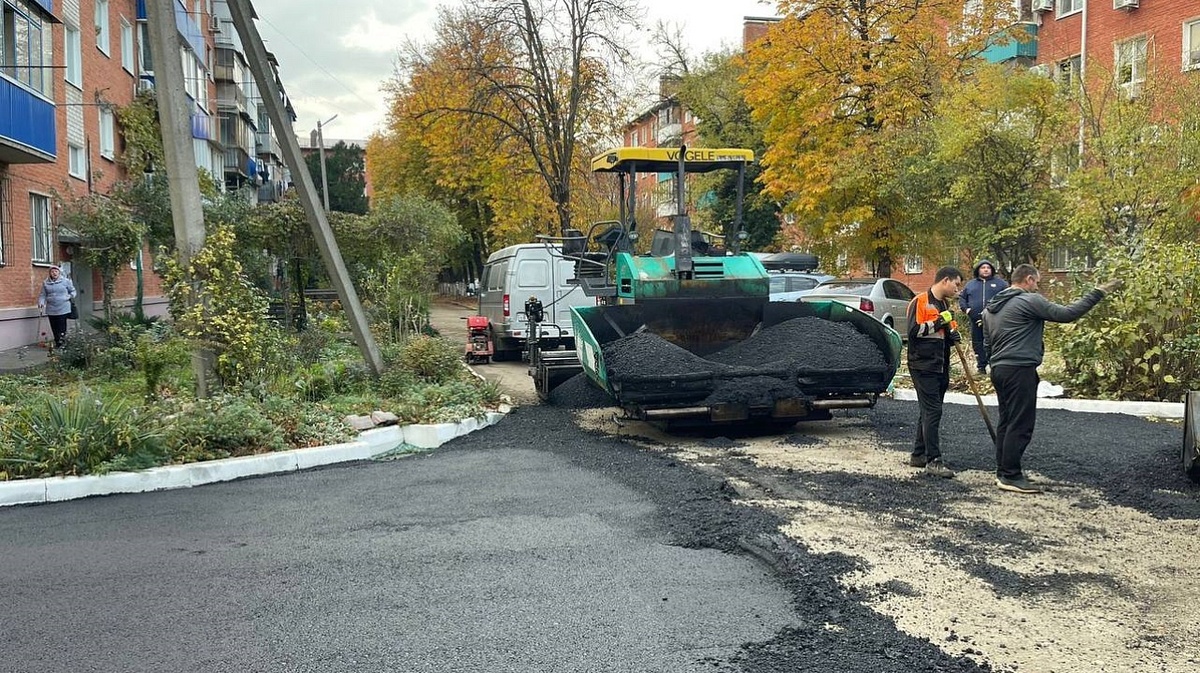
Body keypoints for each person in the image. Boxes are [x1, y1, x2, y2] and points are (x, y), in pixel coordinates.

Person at [982, 264, 1122, 494]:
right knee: (1021, 423)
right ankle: (1010, 476)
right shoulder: (1029, 300)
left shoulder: (991, 308)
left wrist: (994, 363)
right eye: (1036, 282)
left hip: (999, 369)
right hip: (1020, 369)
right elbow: (1067, 314)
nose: (1037, 286)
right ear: (1028, 280)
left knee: (1007, 421)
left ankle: (1004, 470)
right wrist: (1098, 292)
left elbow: (987, 343)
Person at [906, 266, 965, 479]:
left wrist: (952, 336)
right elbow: (914, 332)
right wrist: (940, 321)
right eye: (956, 284)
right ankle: (934, 460)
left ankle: (919, 454)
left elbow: (944, 334)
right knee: (933, 411)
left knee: (929, 410)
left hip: (940, 365)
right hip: (923, 366)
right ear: (945, 281)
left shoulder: (944, 304)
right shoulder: (920, 301)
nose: (958, 289)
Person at [958, 259, 1008, 375]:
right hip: (975, 320)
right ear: (978, 270)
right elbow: (962, 298)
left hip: (994, 320)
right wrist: (966, 309)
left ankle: (994, 365)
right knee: (978, 342)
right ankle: (981, 366)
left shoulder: (1000, 284)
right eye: (983, 267)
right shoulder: (971, 284)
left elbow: (1008, 298)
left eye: (988, 268)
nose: (986, 269)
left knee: (994, 342)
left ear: (992, 270)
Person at [37, 265, 77, 350]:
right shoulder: (45, 283)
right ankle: (57, 342)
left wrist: (69, 296)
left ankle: (62, 343)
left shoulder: (65, 281)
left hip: (63, 308)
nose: (54, 273)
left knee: (61, 327)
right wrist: (41, 302)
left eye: (56, 271)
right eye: (52, 271)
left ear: (59, 272)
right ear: (50, 273)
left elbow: (73, 291)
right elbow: (43, 295)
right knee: (54, 327)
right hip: (51, 309)